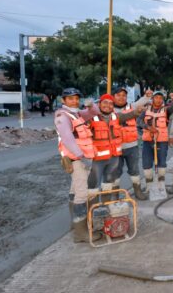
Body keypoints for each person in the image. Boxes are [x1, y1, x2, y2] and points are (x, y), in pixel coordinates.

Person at [54, 87, 100, 243]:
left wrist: (91, 105)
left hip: (81, 158)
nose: (75, 101)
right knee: (81, 194)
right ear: (63, 100)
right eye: (70, 98)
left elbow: (94, 113)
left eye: (76, 98)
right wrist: (82, 157)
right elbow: (67, 139)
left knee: (74, 191)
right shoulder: (63, 116)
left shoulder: (76, 114)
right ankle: (81, 233)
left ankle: (75, 225)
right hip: (77, 159)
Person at [87, 94, 142, 203]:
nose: (108, 105)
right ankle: (92, 211)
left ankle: (106, 206)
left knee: (108, 182)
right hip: (96, 159)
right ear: (99, 104)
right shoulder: (91, 118)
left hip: (113, 158)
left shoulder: (116, 116)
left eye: (111, 103)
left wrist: (137, 111)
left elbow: (130, 115)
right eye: (105, 103)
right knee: (93, 185)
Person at [112, 87, 153, 200]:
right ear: (113, 96)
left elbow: (142, 101)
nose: (121, 97)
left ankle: (138, 191)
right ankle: (115, 195)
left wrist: (148, 95)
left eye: (124, 95)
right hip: (115, 148)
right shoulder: (108, 109)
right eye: (118, 95)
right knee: (115, 172)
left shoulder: (132, 106)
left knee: (134, 170)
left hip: (132, 146)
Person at [138, 90, 173, 194]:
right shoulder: (146, 110)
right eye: (156, 97)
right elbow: (139, 121)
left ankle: (161, 185)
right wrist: (148, 127)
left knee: (162, 163)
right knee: (146, 163)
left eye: (160, 98)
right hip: (148, 141)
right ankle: (149, 186)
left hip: (162, 141)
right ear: (153, 99)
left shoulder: (166, 110)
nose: (158, 100)